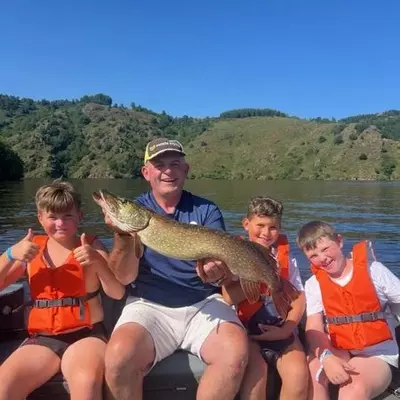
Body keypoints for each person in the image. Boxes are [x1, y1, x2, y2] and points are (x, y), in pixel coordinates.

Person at [101, 138, 248, 400]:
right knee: (117, 359)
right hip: (149, 303)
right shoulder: (136, 210)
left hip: (202, 302)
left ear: (185, 170)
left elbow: (220, 269)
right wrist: (123, 238)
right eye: (159, 164)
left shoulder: (206, 209)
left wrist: (217, 271)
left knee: (234, 353)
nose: (168, 170)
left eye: (175, 164)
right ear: (146, 173)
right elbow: (124, 277)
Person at [0, 180, 125, 400]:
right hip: (42, 339)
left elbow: (117, 292)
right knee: (4, 385)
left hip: (86, 336)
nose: (60, 223)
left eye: (68, 216)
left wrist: (97, 262)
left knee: (85, 384)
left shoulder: (92, 247)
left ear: (80, 216)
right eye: (52, 217)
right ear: (40, 218)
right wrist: (10, 254)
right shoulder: (29, 250)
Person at [298, 220, 400, 400]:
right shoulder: (314, 284)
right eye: (313, 255)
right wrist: (326, 358)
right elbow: (313, 328)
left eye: (325, 249)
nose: (322, 258)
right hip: (336, 348)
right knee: (312, 379)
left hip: (377, 353)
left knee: (352, 391)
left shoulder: (374, 271)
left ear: (339, 241)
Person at [222, 196, 308, 400]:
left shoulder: (287, 258)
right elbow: (227, 297)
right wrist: (258, 274)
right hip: (247, 332)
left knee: (298, 376)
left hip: (281, 329)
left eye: (273, 227)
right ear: (246, 224)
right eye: (260, 225)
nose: (266, 233)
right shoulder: (234, 255)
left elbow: (298, 298)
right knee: (255, 378)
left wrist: (286, 329)